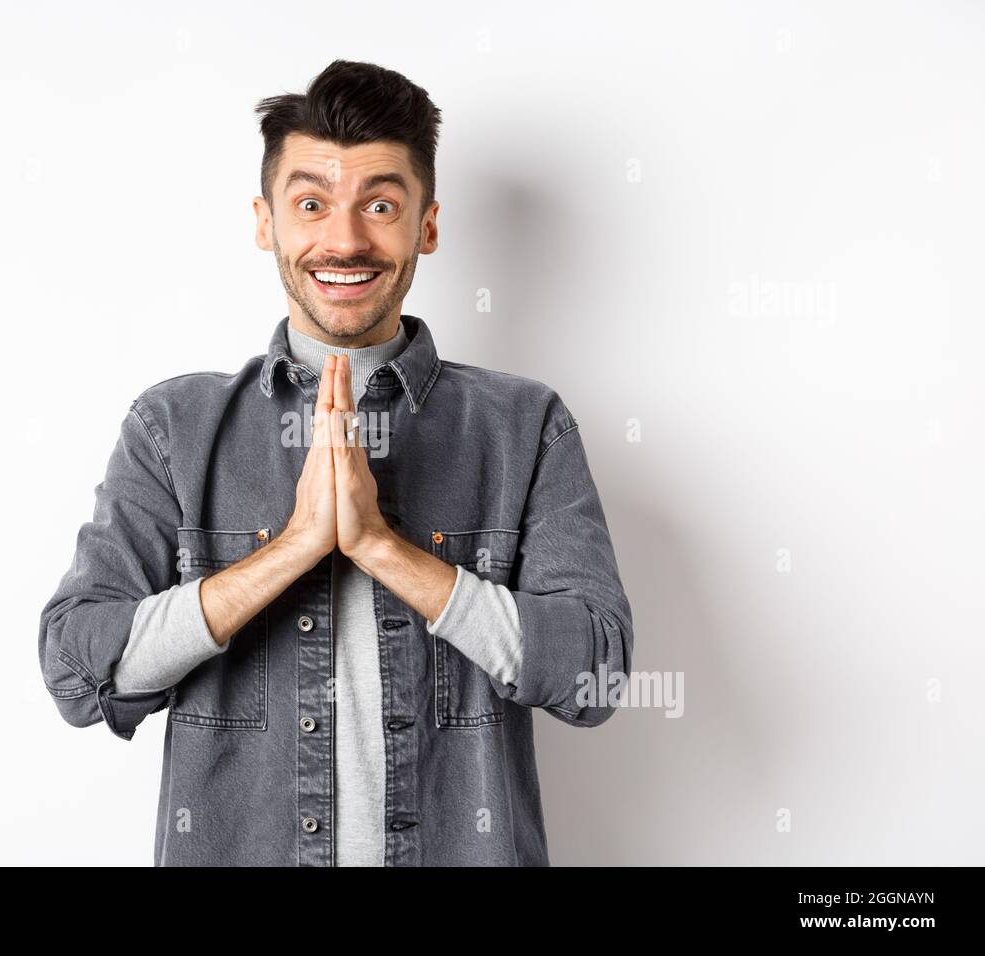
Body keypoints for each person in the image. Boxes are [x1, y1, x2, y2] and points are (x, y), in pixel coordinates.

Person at [37, 59, 634, 866]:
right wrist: (293, 549)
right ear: (265, 221)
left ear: (426, 224)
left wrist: (383, 548)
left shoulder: (525, 427)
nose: (344, 240)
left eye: (380, 205)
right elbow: (78, 671)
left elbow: (594, 673)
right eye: (311, 203)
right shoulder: (173, 427)